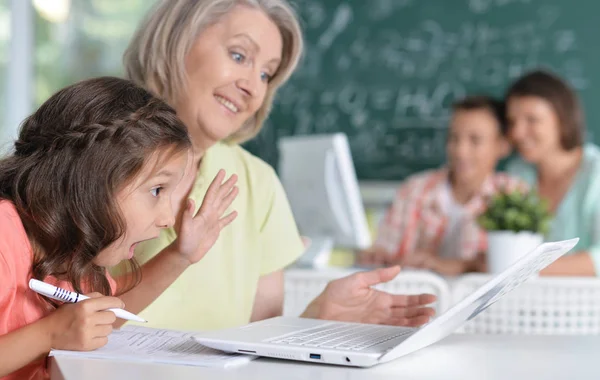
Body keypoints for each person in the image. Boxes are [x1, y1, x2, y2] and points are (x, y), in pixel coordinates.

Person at [121, 0, 436, 330]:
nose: (252, 86)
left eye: (265, 74)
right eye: (238, 56)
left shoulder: (258, 182)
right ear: (177, 41)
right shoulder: (95, 155)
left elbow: (258, 340)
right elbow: (69, 316)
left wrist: (317, 318)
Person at [0, 77, 239, 380]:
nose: (167, 217)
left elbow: (105, 317)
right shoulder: (4, 235)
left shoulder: (75, 250)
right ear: (94, 181)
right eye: (157, 190)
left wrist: (181, 255)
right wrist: (48, 334)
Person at [358, 96, 526, 276]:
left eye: (475, 140)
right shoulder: (414, 190)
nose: (460, 151)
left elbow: (518, 265)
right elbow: (385, 251)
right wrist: (378, 258)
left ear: (502, 145)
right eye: (454, 138)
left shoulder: (512, 195)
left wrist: (460, 266)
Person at [505, 69, 600, 276]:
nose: (517, 133)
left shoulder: (595, 173)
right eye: (512, 122)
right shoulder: (517, 173)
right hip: (524, 303)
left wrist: (519, 271)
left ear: (562, 118)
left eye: (532, 120)